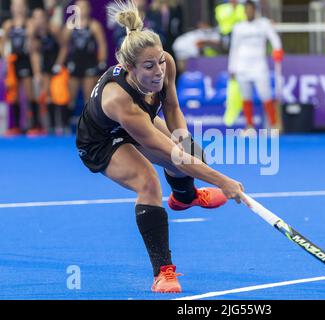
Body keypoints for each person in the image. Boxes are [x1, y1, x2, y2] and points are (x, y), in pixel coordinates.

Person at [76, 0, 248, 293]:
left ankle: (184, 197)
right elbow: (171, 155)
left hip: (140, 121)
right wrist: (224, 181)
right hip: (101, 140)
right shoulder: (119, 99)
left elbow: (172, 106)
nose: (157, 71)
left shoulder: (164, 63)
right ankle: (163, 272)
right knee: (149, 183)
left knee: (191, 152)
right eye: (148, 66)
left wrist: (183, 137)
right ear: (129, 67)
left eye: (159, 62)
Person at [228, 0, 284, 136]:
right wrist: (232, 67)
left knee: (266, 95)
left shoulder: (264, 24)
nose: (248, 11)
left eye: (251, 9)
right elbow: (234, 48)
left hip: (259, 67)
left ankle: (274, 124)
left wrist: (277, 50)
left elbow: (275, 40)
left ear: (255, 10)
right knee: (246, 97)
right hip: (242, 67)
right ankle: (249, 127)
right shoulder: (238, 27)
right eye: (246, 9)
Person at [57, 0, 108, 133]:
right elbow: (64, 47)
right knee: (70, 97)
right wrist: (59, 63)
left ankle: (89, 126)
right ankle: (66, 125)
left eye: (85, 7)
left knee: (88, 98)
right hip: (75, 63)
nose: (82, 9)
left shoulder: (94, 25)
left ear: (89, 9)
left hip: (90, 63)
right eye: (80, 7)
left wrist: (101, 60)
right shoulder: (70, 26)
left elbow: (102, 44)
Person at [0, 0, 44, 136]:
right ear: (12, 8)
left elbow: (34, 48)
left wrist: (37, 72)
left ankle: (36, 124)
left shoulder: (29, 24)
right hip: (13, 62)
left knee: (30, 93)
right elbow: (3, 43)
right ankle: (16, 126)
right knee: (13, 94)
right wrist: (6, 57)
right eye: (16, 6)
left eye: (21, 6)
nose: (18, 9)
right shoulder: (8, 25)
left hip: (26, 60)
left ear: (25, 8)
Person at [29, 8, 70, 135]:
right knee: (47, 96)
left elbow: (64, 47)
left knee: (60, 95)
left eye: (40, 17)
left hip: (59, 65)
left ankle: (64, 125)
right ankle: (51, 126)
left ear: (45, 18)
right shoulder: (34, 33)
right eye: (35, 18)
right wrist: (37, 73)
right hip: (46, 66)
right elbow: (34, 53)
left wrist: (58, 64)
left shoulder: (55, 29)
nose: (38, 21)